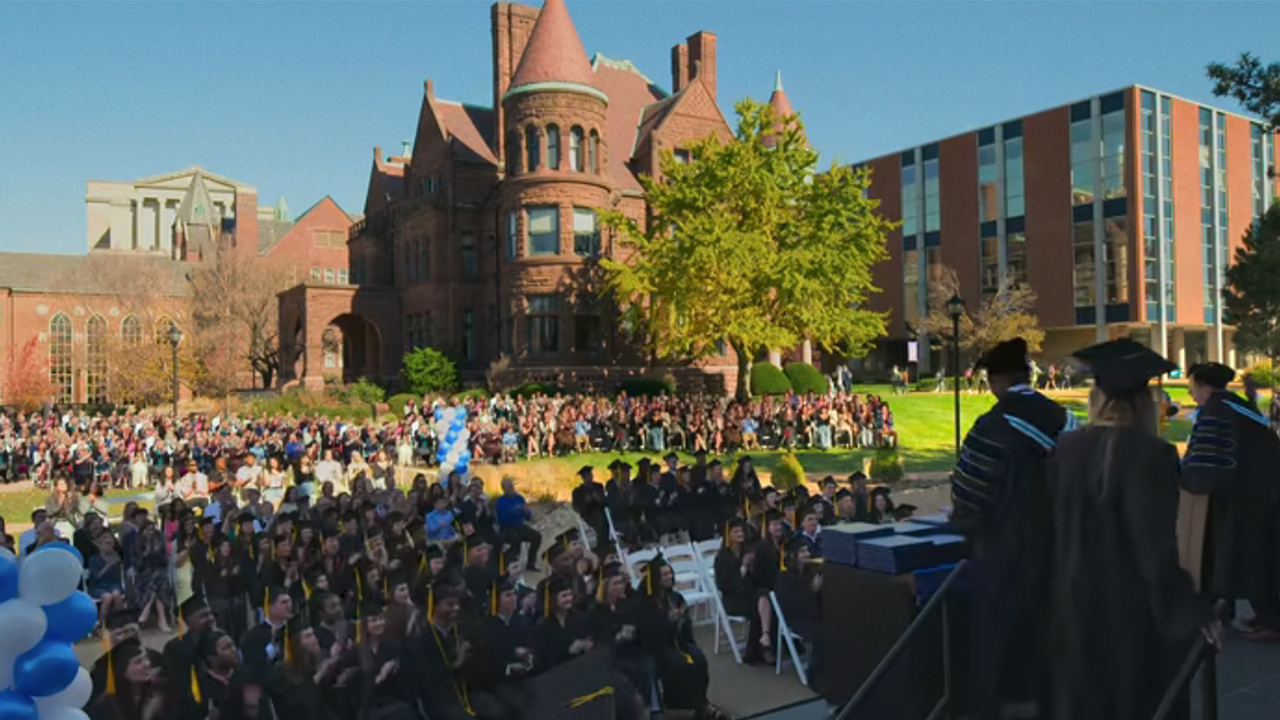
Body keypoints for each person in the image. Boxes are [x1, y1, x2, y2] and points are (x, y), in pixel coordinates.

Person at [1048, 340, 1212, 720]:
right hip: (1128, 618)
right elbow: (1155, 552)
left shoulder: (1067, 450)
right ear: (1146, 401)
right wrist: (1191, 611)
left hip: (1072, 608)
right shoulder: (1152, 455)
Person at [948, 337, 1076, 720]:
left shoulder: (992, 426)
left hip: (1006, 554)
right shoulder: (1064, 418)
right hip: (1060, 548)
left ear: (995, 381)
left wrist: (963, 521)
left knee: (1004, 642)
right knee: (1051, 638)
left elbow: (969, 495)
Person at [1181, 361, 1280, 640]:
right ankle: (1266, 614)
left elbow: (1209, 462)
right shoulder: (1237, 405)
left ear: (1204, 385)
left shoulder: (1216, 410)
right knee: (1261, 554)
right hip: (1263, 490)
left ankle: (1271, 621)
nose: (1191, 395)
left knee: (1248, 557)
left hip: (1245, 498)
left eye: (1192, 388)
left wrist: (1187, 478)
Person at [634, 557, 727, 720]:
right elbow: (648, 633)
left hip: (678, 642)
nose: (669, 577)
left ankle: (701, 703)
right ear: (655, 578)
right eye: (663, 575)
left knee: (699, 659)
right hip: (658, 647)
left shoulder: (676, 597)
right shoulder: (645, 603)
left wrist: (680, 620)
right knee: (681, 665)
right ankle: (697, 706)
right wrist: (667, 621)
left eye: (670, 573)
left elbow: (685, 628)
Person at [713, 518, 772, 664]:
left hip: (750, 594)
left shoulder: (748, 550)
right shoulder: (722, 558)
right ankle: (759, 648)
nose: (740, 534)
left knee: (767, 596)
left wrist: (753, 568)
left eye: (741, 530)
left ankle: (765, 640)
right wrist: (744, 568)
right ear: (729, 535)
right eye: (736, 531)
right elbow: (725, 585)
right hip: (734, 600)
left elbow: (757, 578)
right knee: (761, 602)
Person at [495, 476, 541, 571]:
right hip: (507, 527)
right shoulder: (500, 501)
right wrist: (515, 510)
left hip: (520, 526)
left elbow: (528, 517)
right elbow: (502, 519)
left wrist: (526, 511)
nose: (511, 488)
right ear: (504, 489)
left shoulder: (519, 498)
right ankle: (510, 562)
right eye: (508, 486)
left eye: (512, 485)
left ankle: (531, 563)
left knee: (536, 536)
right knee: (515, 538)